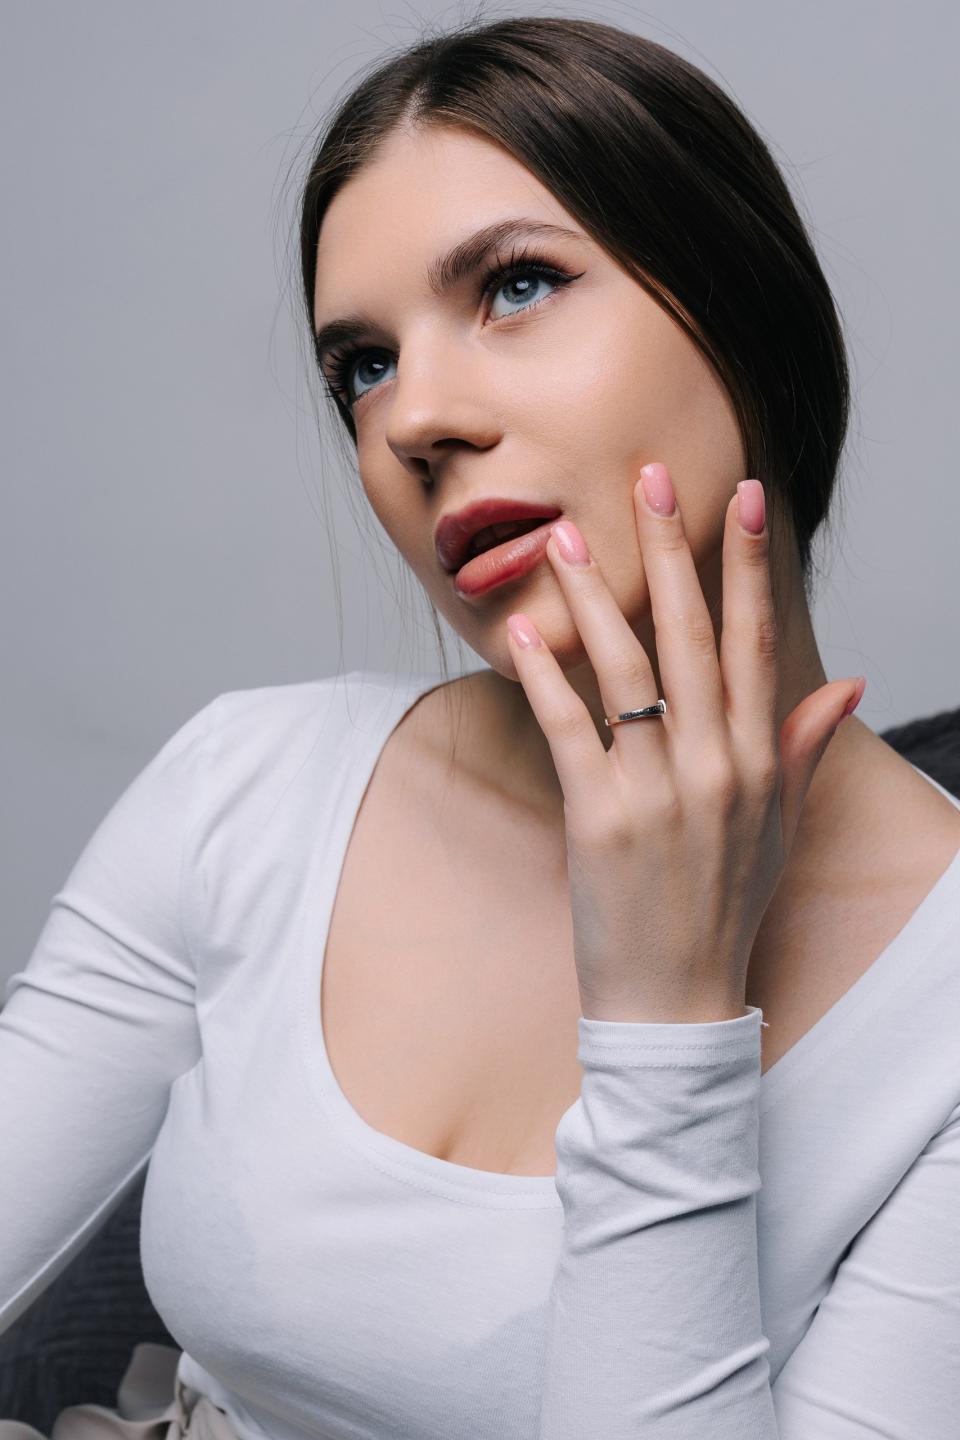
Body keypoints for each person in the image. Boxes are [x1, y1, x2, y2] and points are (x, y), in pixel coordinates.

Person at [2, 14, 959, 1439]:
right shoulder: (252, 788)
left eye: (517, 285)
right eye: (364, 365)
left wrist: (668, 1012)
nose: (414, 422)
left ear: (743, 312)